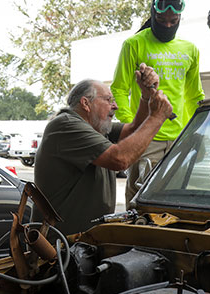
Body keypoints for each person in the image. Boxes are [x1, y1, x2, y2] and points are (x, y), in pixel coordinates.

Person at [35, 64, 173, 235]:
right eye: (108, 100)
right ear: (86, 103)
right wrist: (157, 117)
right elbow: (120, 159)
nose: (115, 106)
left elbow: (134, 130)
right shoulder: (66, 125)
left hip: (83, 241)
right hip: (60, 244)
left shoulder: (96, 128)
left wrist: (145, 97)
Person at [111, 0, 204, 208]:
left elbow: (194, 95)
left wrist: (197, 130)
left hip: (180, 136)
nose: (168, 25)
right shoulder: (134, 44)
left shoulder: (190, 49)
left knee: (174, 200)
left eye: (174, 22)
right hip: (145, 134)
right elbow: (120, 89)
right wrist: (130, 127)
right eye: (162, 21)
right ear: (153, 13)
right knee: (138, 201)